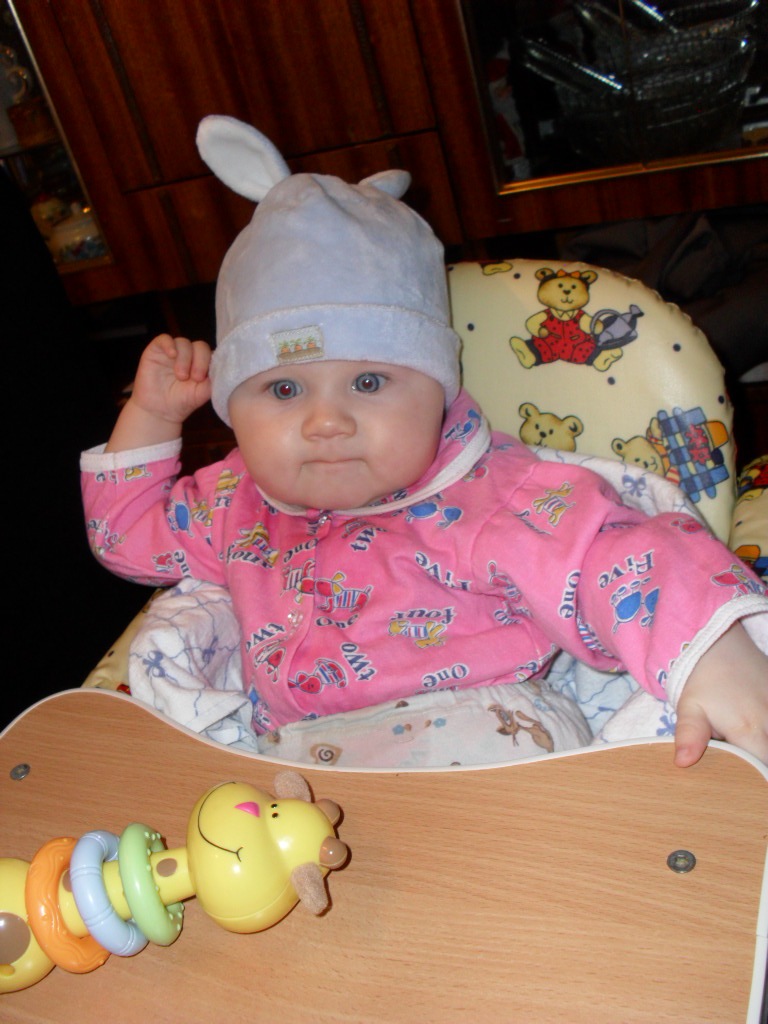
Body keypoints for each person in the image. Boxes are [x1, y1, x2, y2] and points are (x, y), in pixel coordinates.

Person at [81, 117, 768, 768]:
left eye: (369, 382)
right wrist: (152, 415)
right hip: (297, 769)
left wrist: (715, 656)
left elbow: (617, 555)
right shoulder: (234, 500)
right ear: (232, 407)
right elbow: (126, 538)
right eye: (283, 389)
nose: (326, 421)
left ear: (437, 389)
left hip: (485, 746)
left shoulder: (491, 494)